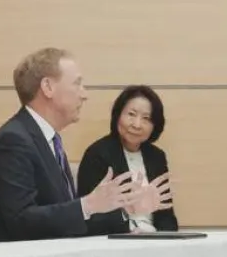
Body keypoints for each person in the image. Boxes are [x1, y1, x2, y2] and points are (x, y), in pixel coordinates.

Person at [0, 47, 170, 242]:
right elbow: (22, 222)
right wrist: (87, 205)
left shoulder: (50, 141)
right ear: (48, 87)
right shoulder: (12, 141)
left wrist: (126, 211)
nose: (84, 94)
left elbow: (66, 222)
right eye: (77, 84)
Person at [76, 86, 179, 233]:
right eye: (131, 114)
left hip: (153, 238)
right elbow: (89, 217)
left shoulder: (157, 157)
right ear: (118, 115)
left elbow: (166, 216)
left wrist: (161, 236)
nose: (137, 124)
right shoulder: (97, 154)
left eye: (146, 118)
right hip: (117, 238)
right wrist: (130, 227)